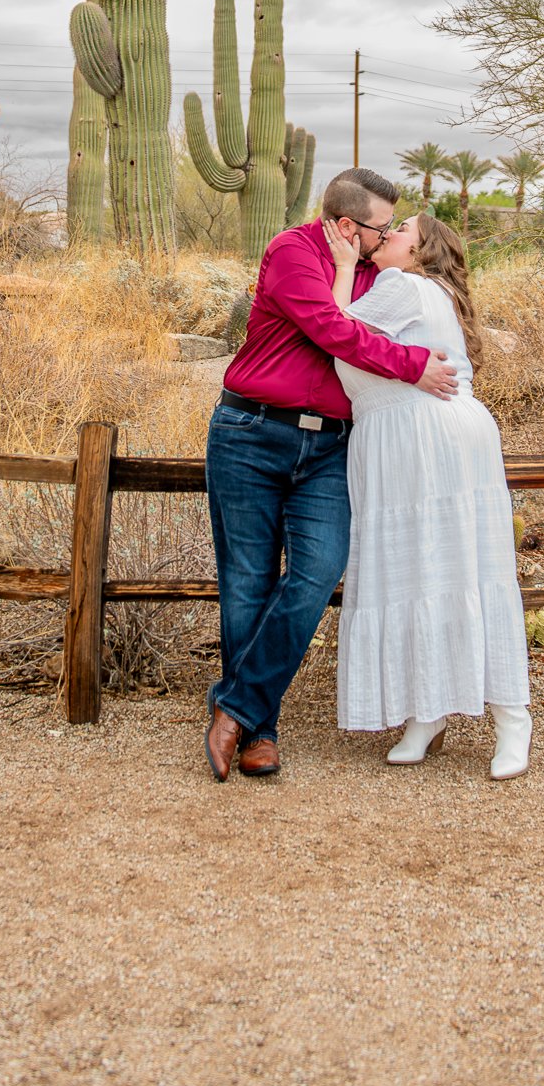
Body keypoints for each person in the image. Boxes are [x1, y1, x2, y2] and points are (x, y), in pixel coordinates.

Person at [204, 168, 460, 782]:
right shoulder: (293, 251)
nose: (386, 236)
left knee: (316, 575)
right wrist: (411, 366)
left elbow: (417, 314)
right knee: (248, 583)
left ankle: (235, 707)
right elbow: (334, 330)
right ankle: (259, 732)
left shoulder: (377, 270)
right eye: (379, 227)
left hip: (331, 449)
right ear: (347, 225)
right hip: (252, 434)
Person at [325, 210, 532, 777]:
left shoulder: (404, 285)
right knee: (428, 571)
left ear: (419, 253)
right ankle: (428, 711)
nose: (387, 236)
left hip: (421, 432)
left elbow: (333, 326)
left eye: (400, 233)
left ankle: (512, 718)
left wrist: (344, 263)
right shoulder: (423, 288)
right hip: (407, 433)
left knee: (460, 571)